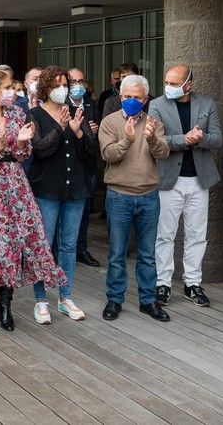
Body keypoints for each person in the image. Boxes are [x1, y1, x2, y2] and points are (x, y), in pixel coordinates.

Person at [0, 68, 63, 335]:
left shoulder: (17, 113)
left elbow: (23, 153)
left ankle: (5, 304)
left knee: (14, 244)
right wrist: (5, 141)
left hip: (14, 184)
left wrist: (21, 142)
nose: (14, 92)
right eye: (9, 87)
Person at [27, 66, 98, 324]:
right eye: (57, 84)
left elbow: (92, 151)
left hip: (75, 188)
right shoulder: (33, 114)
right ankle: (41, 299)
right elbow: (40, 150)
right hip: (46, 189)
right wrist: (60, 127)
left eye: (65, 84)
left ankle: (65, 296)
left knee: (68, 245)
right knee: (43, 245)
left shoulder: (78, 112)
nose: (63, 89)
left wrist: (78, 131)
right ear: (46, 88)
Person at [148, 64, 223, 308]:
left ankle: (193, 283)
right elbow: (157, 141)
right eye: (166, 82)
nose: (168, 87)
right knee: (165, 235)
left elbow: (218, 139)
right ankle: (163, 284)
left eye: (174, 83)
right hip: (169, 179)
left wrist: (199, 139)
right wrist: (184, 139)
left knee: (197, 235)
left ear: (188, 84)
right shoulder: (157, 105)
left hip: (199, 180)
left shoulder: (207, 104)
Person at [99, 74, 171, 322]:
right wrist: (127, 140)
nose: (131, 100)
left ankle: (148, 300)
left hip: (149, 196)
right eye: (127, 96)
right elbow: (108, 154)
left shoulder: (153, 122)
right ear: (120, 96)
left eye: (137, 97)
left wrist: (151, 138)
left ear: (146, 98)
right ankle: (115, 299)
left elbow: (163, 153)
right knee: (117, 254)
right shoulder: (109, 122)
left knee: (147, 254)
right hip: (119, 196)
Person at [66, 67, 101, 267]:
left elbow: (98, 132)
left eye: (81, 81)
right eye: (73, 82)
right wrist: (86, 130)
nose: (78, 86)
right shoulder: (61, 104)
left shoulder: (92, 104)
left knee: (85, 210)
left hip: (87, 164)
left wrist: (89, 131)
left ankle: (81, 249)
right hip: (69, 164)